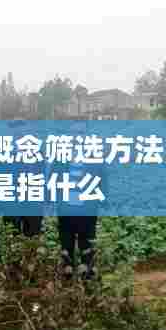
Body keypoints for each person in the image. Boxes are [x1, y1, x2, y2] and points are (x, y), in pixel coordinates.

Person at [55, 120, 108, 283]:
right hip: (66, 208)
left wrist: (103, 199)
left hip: (87, 208)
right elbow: (53, 177)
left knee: (87, 242)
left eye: (81, 133)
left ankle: (88, 276)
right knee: (66, 243)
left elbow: (102, 178)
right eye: (74, 133)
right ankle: (67, 277)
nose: (77, 137)